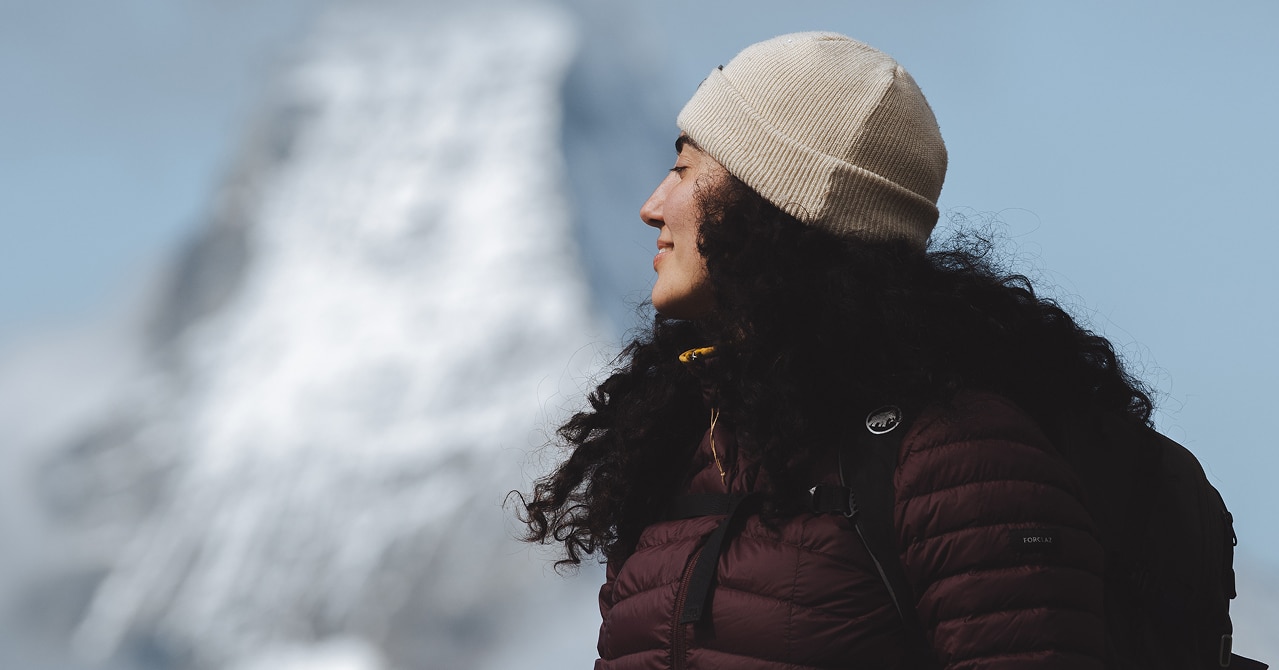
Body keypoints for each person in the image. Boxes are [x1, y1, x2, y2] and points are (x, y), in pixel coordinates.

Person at [521, 32, 1154, 669]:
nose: (651, 207)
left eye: (683, 170)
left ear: (770, 205)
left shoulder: (956, 460)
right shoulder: (678, 449)